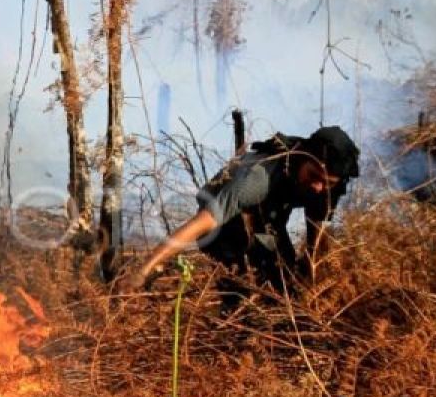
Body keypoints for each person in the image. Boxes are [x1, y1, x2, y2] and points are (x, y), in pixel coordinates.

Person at [128, 126, 361, 297]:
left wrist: (314, 285)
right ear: (300, 158)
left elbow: (317, 238)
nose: (318, 187)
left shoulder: (332, 183)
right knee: (245, 286)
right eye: (314, 177)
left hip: (270, 217)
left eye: (327, 182)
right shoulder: (258, 178)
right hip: (224, 224)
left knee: (289, 282)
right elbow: (201, 223)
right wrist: (146, 268)